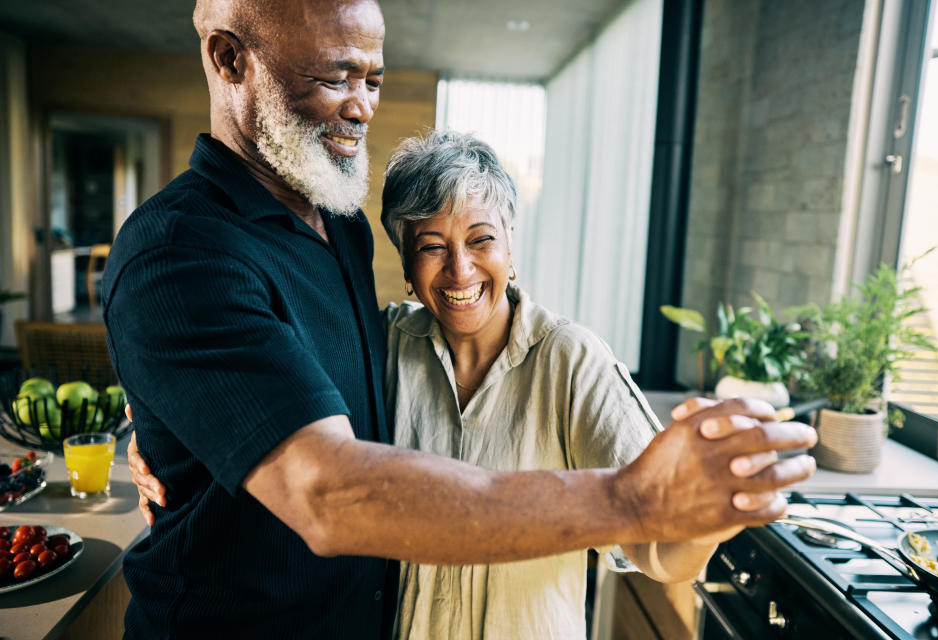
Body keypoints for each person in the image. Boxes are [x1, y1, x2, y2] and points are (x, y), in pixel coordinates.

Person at [107, 0, 818, 638]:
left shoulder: (337, 226)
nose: (360, 107)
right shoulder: (181, 253)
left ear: (512, 240)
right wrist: (629, 499)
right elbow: (324, 490)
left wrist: (193, 437)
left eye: (373, 79)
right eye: (334, 76)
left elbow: (282, 391)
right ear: (231, 58)